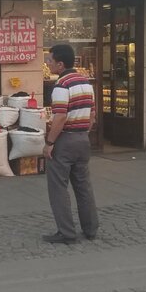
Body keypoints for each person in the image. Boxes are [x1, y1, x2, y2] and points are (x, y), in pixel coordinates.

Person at [42, 43, 99, 245]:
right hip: (83, 138)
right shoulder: (86, 83)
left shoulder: (62, 85)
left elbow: (59, 117)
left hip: (65, 140)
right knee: (83, 186)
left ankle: (66, 232)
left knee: (58, 187)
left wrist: (50, 142)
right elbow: (92, 114)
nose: (47, 64)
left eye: (49, 61)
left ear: (60, 63)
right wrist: (83, 131)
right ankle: (90, 228)